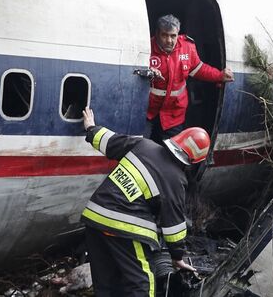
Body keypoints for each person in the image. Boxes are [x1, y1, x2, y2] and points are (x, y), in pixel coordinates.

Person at [80, 107, 211, 297]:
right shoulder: (176, 179)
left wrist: (91, 127)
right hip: (125, 228)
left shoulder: (143, 145)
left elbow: (108, 141)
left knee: (106, 284)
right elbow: (173, 227)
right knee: (142, 283)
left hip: (94, 219)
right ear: (195, 161)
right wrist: (177, 257)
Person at [145, 14, 234, 143]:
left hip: (174, 114)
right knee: (141, 149)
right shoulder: (146, 47)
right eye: (164, 35)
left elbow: (200, 69)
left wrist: (219, 75)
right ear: (157, 33)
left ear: (178, 34)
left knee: (172, 154)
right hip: (148, 111)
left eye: (173, 36)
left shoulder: (187, 47)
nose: (169, 40)